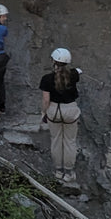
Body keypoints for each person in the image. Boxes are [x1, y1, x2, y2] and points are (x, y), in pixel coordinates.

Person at [39, 47, 82, 186]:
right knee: (70, 141)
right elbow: (77, 71)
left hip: (53, 110)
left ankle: (58, 171)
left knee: (56, 140)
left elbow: (46, 100)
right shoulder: (74, 75)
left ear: (53, 61)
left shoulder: (46, 79)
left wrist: (43, 113)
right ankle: (68, 173)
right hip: (70, 110)